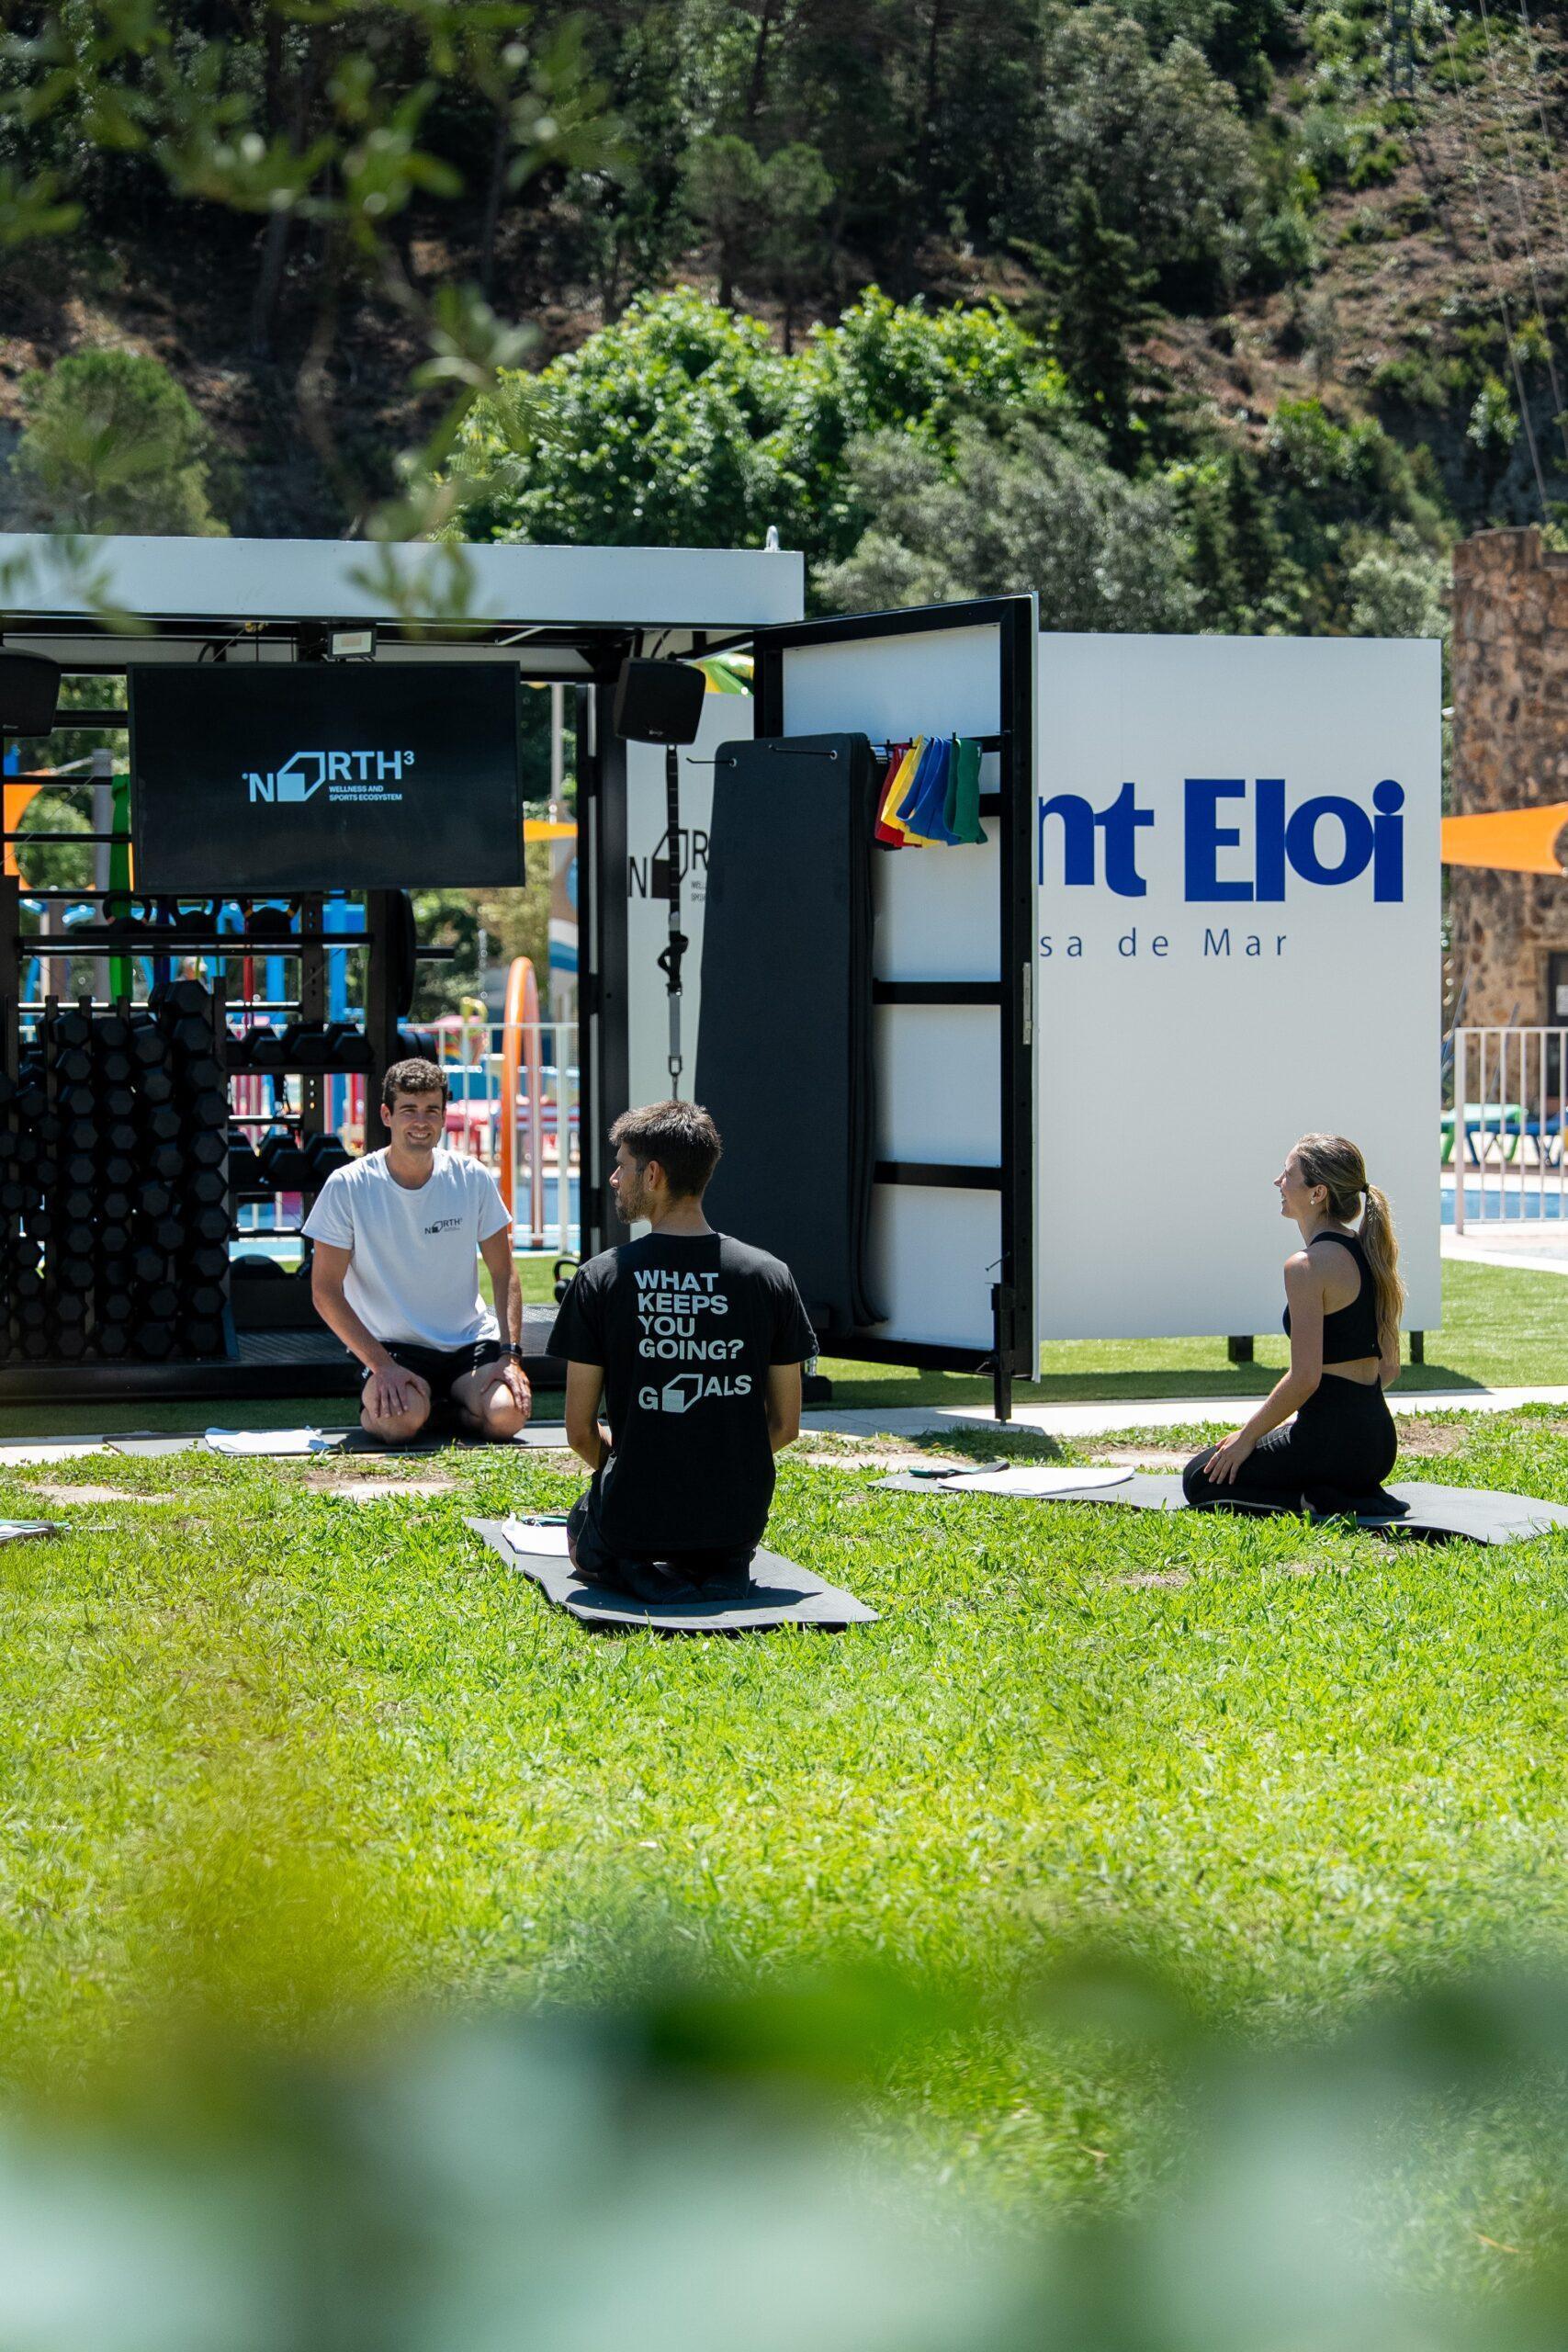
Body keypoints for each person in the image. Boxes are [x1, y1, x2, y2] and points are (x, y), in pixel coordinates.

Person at [548, 1098, 817, 1601]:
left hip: (634, 1516)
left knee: (584, 1529)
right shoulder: (769, 1275)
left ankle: (633, 1567)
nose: (614, 1179)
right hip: (735, 1521)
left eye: (622, 1166)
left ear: (653, 1175)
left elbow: (579, 1431)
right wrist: (715, 1462)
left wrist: (641, 1465)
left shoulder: (601, 1278)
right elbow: (786, 1426)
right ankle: (721, 1567)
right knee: (714, 1541)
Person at [306, 1056, 532, 1445]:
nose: (421, 1121)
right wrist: (381, 1366)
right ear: (386, 1114)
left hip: (468, 1341)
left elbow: (504, 1272)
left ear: (444, 1117)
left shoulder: (471, 1177)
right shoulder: (347, 1185)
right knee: (398, 1424)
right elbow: (325, 1291)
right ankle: (414, 1406)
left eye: (432, 1110)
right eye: (409, 1110)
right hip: (391, 1348)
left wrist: (509, 1356)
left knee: (508, 1417)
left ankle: (439, 1409)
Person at [1182, 1133, 1404, 1513]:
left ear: (1317, 1193)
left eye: (1287, 1175)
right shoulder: (1369, 1250)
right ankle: (1333, 1487)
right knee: (1233, 1464)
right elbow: (1390, 1368)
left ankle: (1316, 1498)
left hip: (1333, 1443)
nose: (1278, 1183)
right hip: (1378, 1445)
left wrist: (1248, 1438)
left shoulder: (1306, 1266)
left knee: (1200, 1478)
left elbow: (1305, 1378)